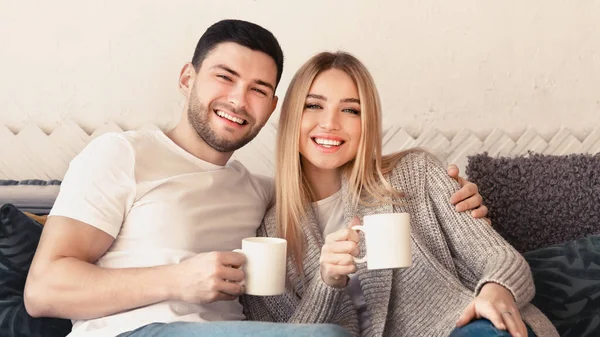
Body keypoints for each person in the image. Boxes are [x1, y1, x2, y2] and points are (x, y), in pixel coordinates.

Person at [24, 20, 485, 337]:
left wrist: (444, 189)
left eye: (259, 90)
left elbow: (333, 183)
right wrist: (176, 281)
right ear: (188, 78)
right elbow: (43, 291)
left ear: (274, 107)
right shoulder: (122, 154)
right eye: (225, 78)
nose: (239, 100)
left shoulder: (262, 192)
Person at [242, 51, 559, 337]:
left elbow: (501, 257)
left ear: (368, 123)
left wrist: (496, 291)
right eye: (313, 105)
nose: (330, 123)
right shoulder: (270, 237)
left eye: (351, 110)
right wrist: (327, 283)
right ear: (290, 116)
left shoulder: (415, 173)